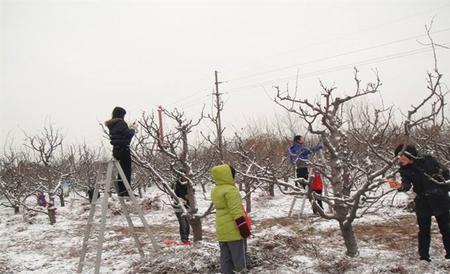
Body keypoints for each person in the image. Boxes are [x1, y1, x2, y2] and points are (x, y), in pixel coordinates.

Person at [388, 144, 450, 262]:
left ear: (409, 155)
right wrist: (400, 187)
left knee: (446, 229)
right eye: (398, 158)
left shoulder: (427, 160)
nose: (399, 160)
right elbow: (406, 185)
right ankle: (424, 257)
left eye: (400, 156)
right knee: (423, 231)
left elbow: (445, 174)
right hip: (422, 202)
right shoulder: (404, 169)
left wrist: (443, 188)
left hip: (439, 199)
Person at [211, 164, 251, 274]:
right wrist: (244, 229)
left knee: (225, 259)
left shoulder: (215, 190)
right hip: (233, 230)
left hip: (222, 231)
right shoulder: (231, 191)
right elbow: (236, 211)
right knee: (239, 259)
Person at [105, 106, 137, 196]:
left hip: (116, 150)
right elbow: (128, 135)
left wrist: (128, 128)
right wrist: (133, 129)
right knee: (126, 169)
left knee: (121, 170)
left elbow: (120, 133)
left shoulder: (112, 124)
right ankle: (125, 191)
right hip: (124, 149)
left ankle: (122, 190)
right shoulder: (121, 123)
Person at [172, 179, 191, 245]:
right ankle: (184, 240)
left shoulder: (188, 185)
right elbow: (174, 197)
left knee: (187, 224)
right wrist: (183, 199)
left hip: (187, 208)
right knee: (183, 224)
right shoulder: (177, 186)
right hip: (179, 208)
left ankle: (186, 239)